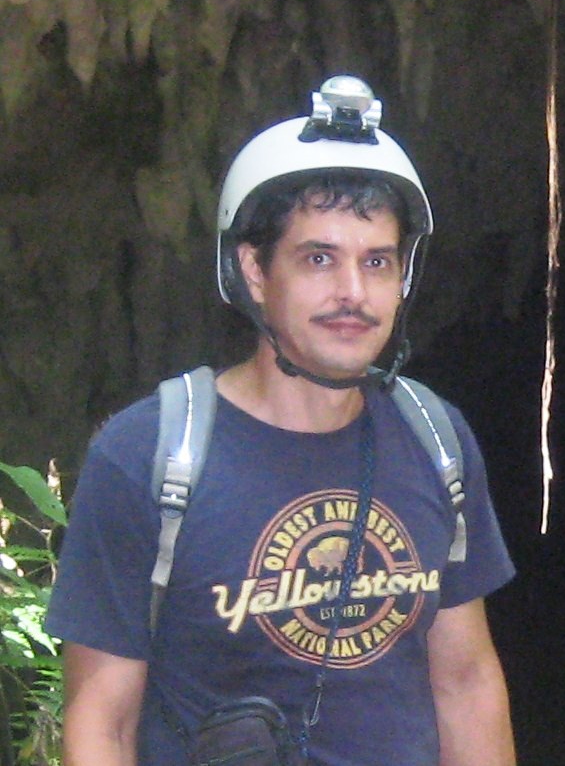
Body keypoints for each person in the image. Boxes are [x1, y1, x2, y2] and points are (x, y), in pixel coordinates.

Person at [46, 76, 516, 766]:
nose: (353, 292)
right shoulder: (147, 456)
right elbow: (101, 721)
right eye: (318, 259)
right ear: (255, 271)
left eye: (377, 262)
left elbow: (465, 683)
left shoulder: (434, 439)